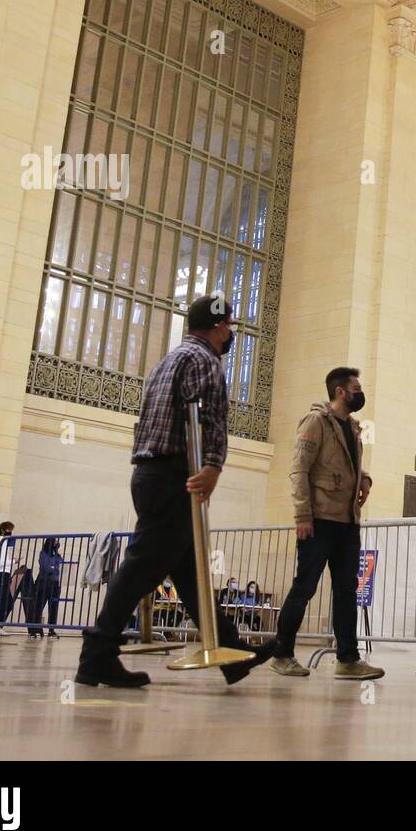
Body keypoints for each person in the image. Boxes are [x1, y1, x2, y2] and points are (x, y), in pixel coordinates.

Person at [75, 293, 276, 688]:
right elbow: (207, 417)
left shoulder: (169, 360)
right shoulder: (206, 361)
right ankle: (96, 653)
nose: (231, 333)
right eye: (231, 326)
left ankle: (232, 653)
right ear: (219, 327)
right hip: (174, 477)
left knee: (188, 570)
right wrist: (213, 464)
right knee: (140, 567)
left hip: (149, 473)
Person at [270, 367, 384, 681]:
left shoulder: (353, 427)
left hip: (347, 522)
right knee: (304, 587)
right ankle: (282, 653)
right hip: (319, 521)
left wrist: (365, 479)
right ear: (340, 391)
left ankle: (348, 659)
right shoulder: (316, 423)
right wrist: (302, 515)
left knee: (347, 590)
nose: (360, 393)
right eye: (356, 388)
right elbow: (299, 471)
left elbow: (347, 465)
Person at [28, 537, 64, 639]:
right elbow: (46, 568)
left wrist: (54, 567)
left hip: (55, 585)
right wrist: (54, 568)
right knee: (39, 607)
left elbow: (61, 567)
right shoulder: (43, 554)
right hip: (43, 584)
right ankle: (34, 630)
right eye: (55, 542)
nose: (56, 544)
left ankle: (51, 630)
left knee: (53, 609)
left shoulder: (57, 556)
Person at [0, 521, 17, 635]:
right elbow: (1, 561)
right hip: (2, 572)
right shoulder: (1, 541)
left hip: (1, 572)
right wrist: (14, 561)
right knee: (4, 600)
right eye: (9, 530)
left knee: (7, 600)